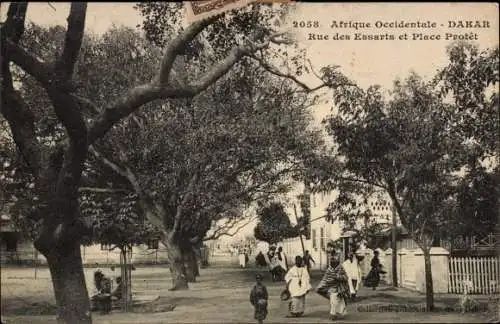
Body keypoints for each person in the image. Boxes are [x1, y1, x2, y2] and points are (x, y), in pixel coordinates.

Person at [315, 252, 350, 321]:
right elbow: (325, 279)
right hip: (332, 289)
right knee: (333, 302)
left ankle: (338, 313)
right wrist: (320, 286)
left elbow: (346, 277)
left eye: (334, 262)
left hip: (340, 288)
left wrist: (338, 277)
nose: (333, 263)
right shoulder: (329, 270)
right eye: (332, 262)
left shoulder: (341, 268)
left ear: (337, 263)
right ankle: (333, 314)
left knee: (340, 302)